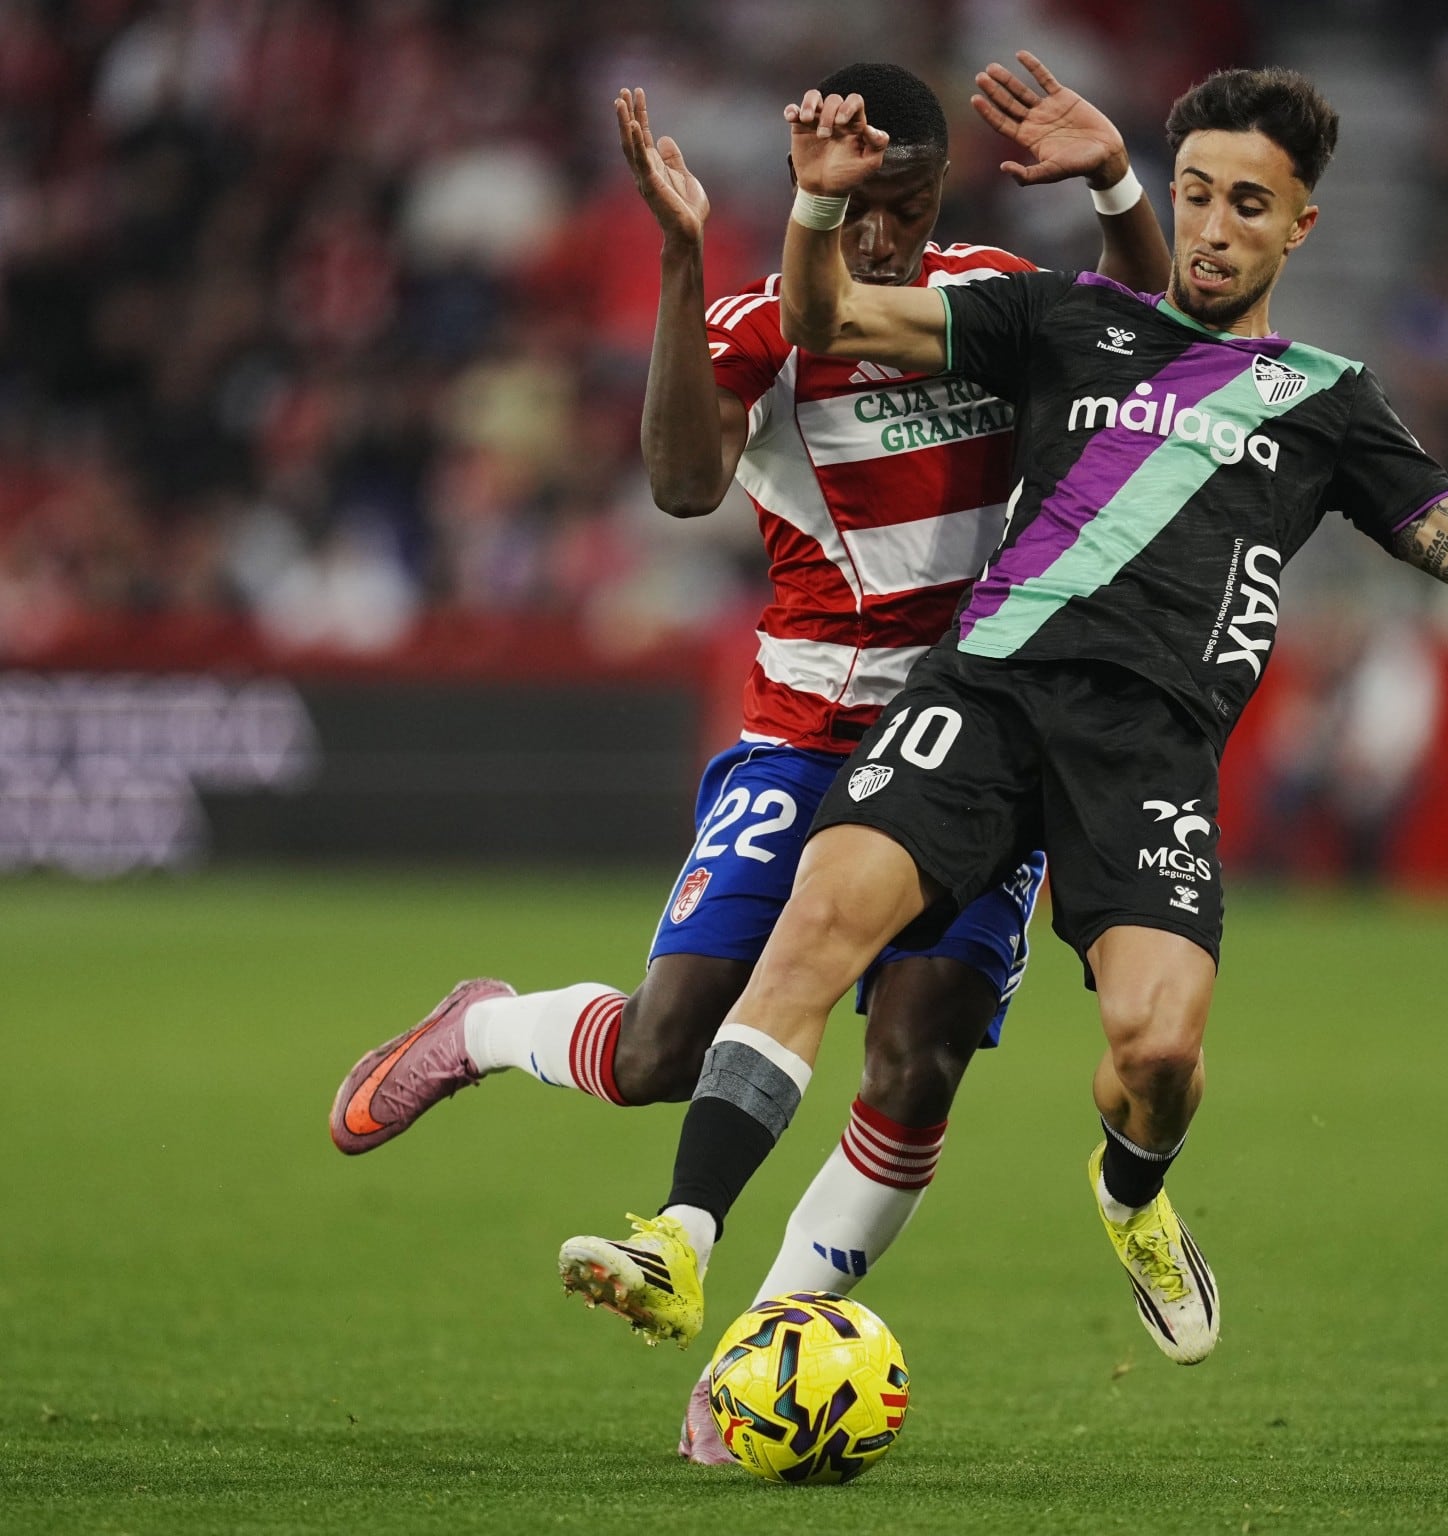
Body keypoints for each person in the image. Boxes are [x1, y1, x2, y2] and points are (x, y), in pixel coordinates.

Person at [560, 65, 1448, 1370]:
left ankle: (1131, 1196)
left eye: (1249, 203)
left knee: (1158, 1051)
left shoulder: (1328, 402)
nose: (1217, 227)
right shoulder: (1061, 318)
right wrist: (820, 206)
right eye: (1196, 195)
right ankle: (682, 1235)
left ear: (1300, 227)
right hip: (983, 694)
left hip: (1149, 752)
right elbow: (828, 314)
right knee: (815, 933)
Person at [328, 56, 1170, 1459]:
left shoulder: (989, 302)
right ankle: (482, 1028)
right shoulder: (758, 325)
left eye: (909, 205)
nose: (884, 237)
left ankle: (754, 1356)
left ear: (941, 195)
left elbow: (1146, 344)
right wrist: (678, 258)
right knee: (667, 1046)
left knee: (919, 1055)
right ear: (805, 187)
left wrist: (1116, 183)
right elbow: (679, 485)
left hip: (977, 745)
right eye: (859, 206)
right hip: (808, 735)